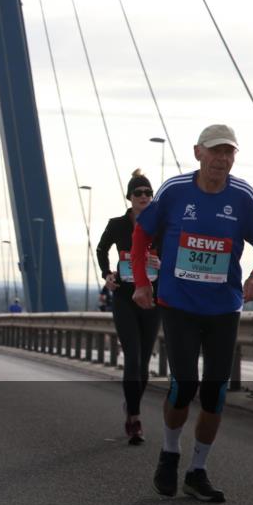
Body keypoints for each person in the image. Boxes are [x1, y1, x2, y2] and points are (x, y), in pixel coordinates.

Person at [132, 125, 253, 503]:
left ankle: (197, 471)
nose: (222, 159)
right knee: (184, 385)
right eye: (215, 152)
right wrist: (143, 283)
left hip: (223, 308)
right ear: (198, 152)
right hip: (178, 304)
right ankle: (169, 454)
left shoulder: (243, 196)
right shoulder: (175, 190)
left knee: (215, 393)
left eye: (229, 152)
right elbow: (142, 235)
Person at [97, 168, 163, 445]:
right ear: (130, 197)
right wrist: (107, 274)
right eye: (139, 193)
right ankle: (134, 418)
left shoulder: (162, 224)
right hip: (125, 297)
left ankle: (131, 405)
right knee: (133, 359)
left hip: (152, 298)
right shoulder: (117, 224)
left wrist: (164, 263)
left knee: (144, 364)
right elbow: (102, 249)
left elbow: (174, 252)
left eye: (149, 192)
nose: (144, 196)